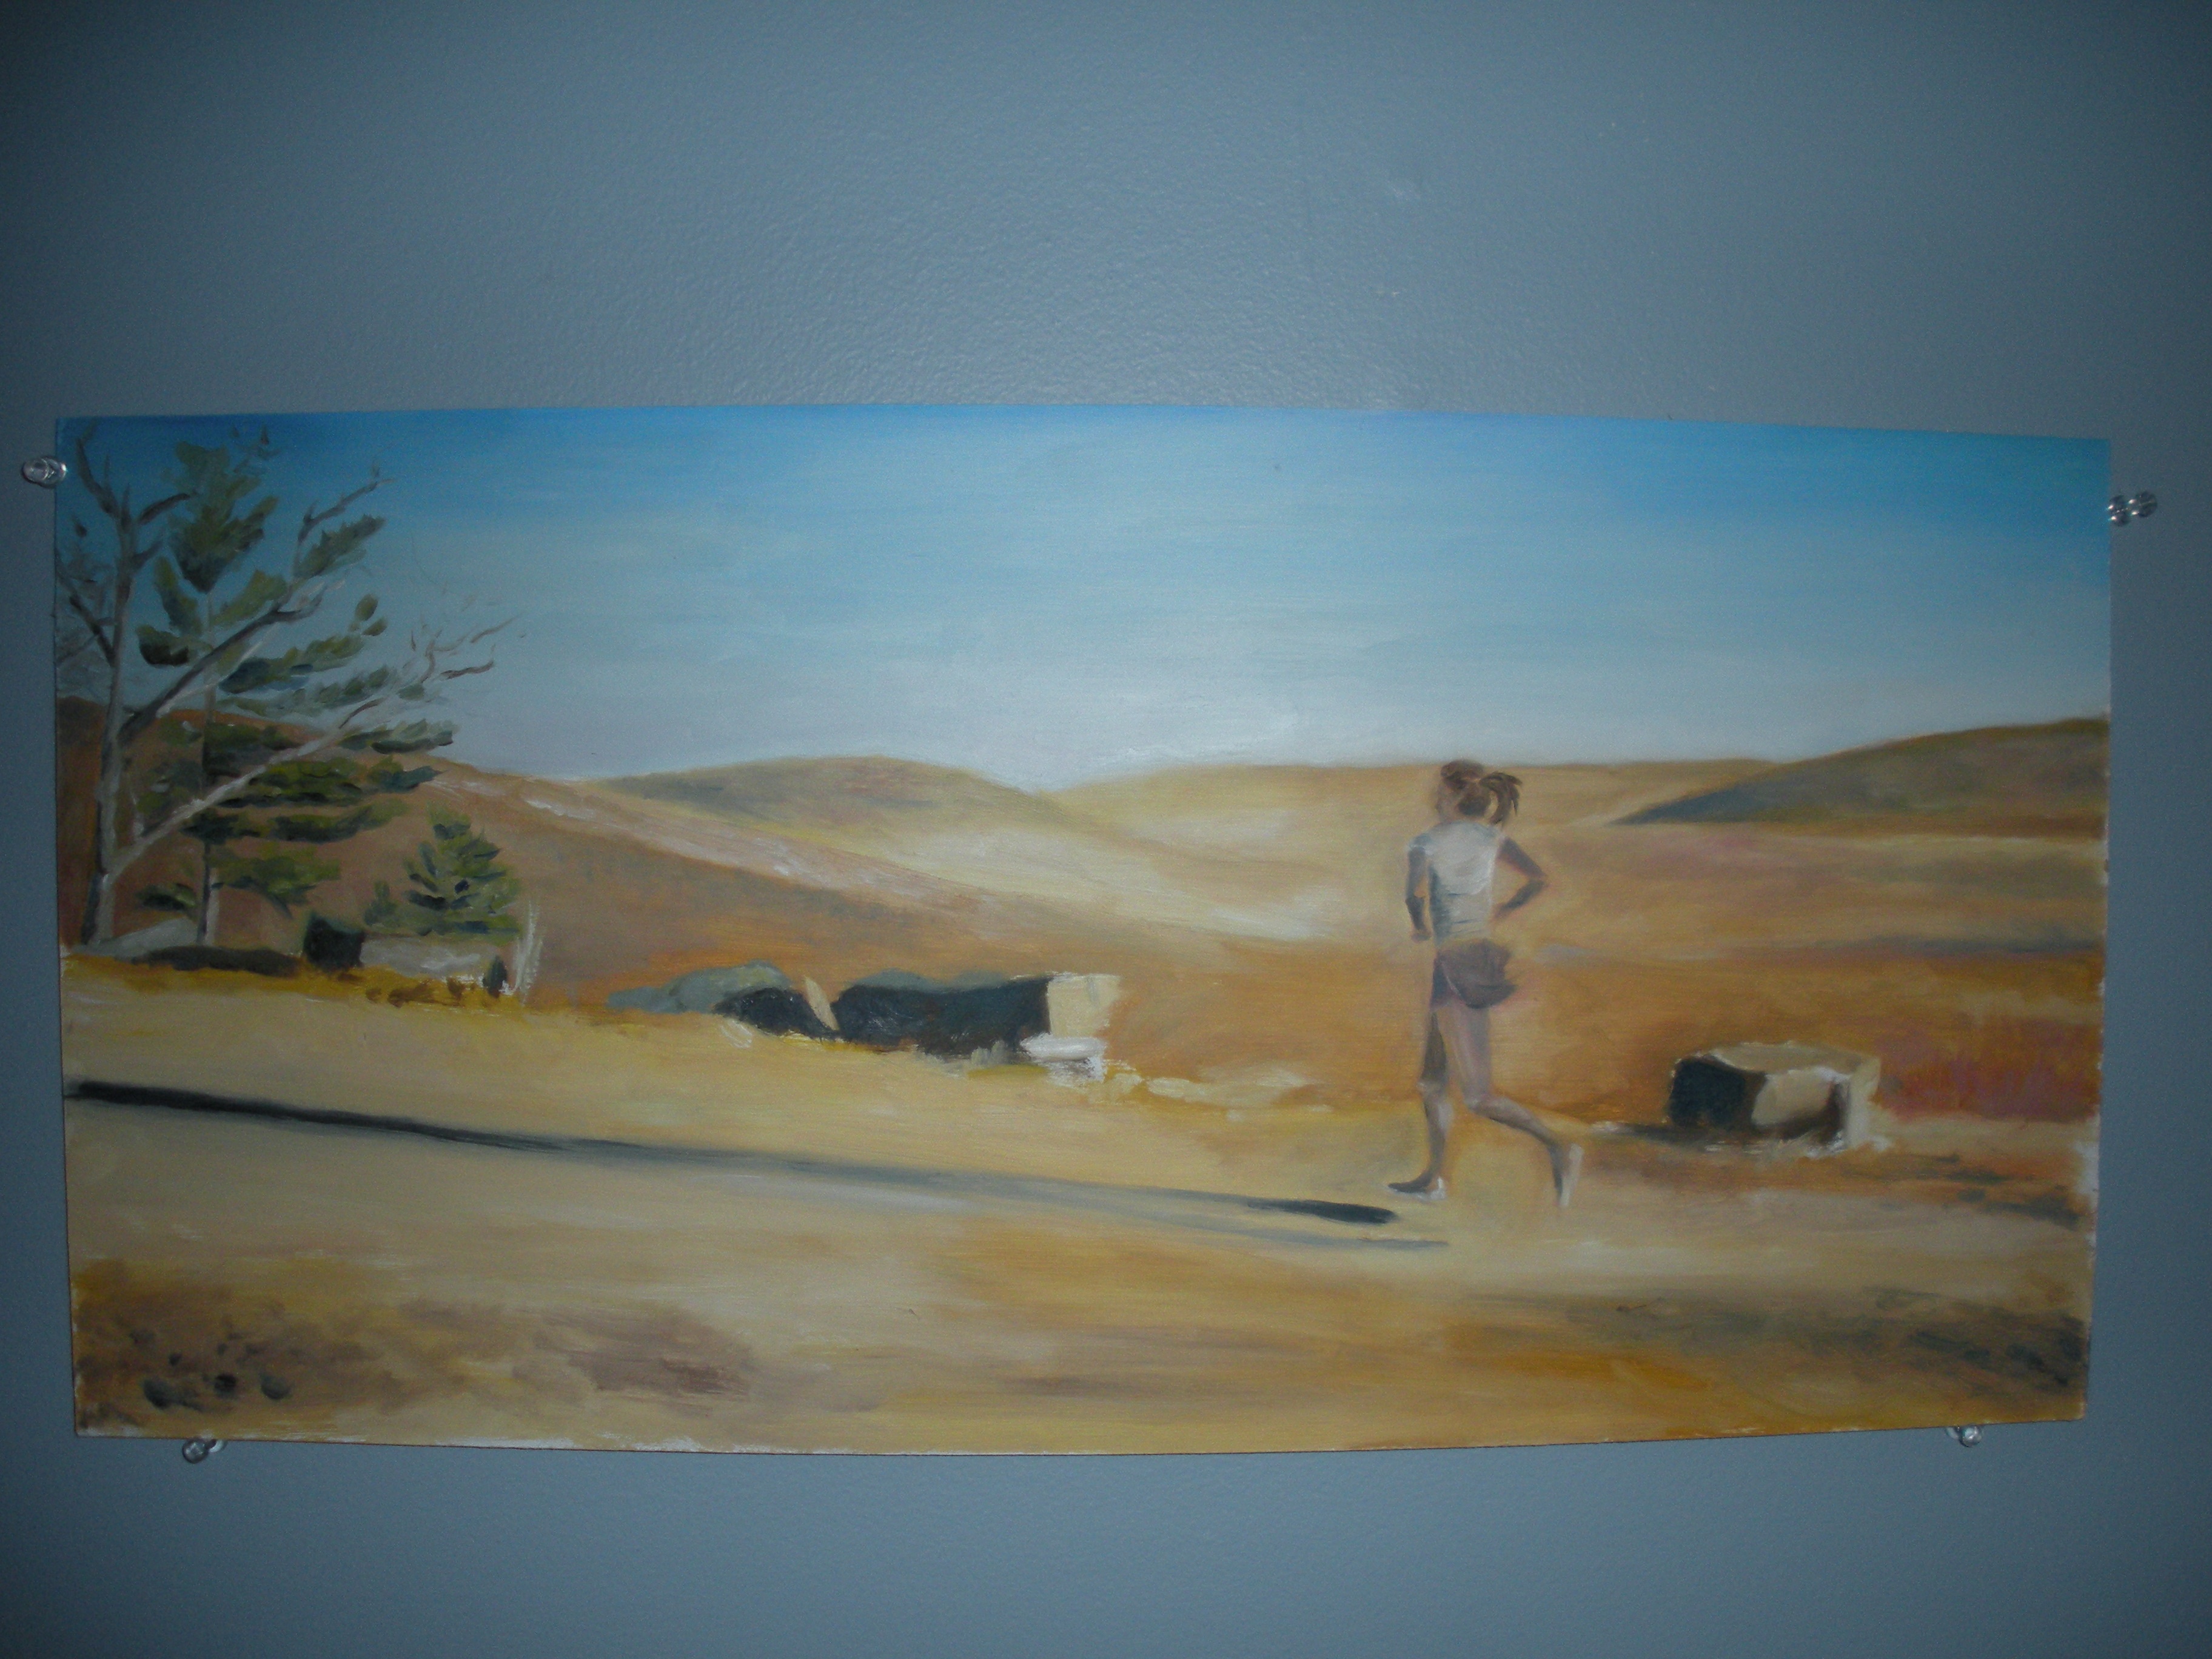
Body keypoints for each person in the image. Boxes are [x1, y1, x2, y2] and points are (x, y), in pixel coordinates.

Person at [1390, 760, 1581, 1206]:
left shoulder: (1427, 842)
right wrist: (1506, 909)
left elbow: (1412, 896)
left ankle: (1559, 1148)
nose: (1434, 797)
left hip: (1456, 963)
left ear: (1452, 797)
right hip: (1471, 956)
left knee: (1477, 1096)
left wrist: (1419, 926)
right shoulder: (1491, 838)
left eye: (1440, 791)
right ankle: (1434, 1179)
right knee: (1432, 1082)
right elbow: (1537, 879)